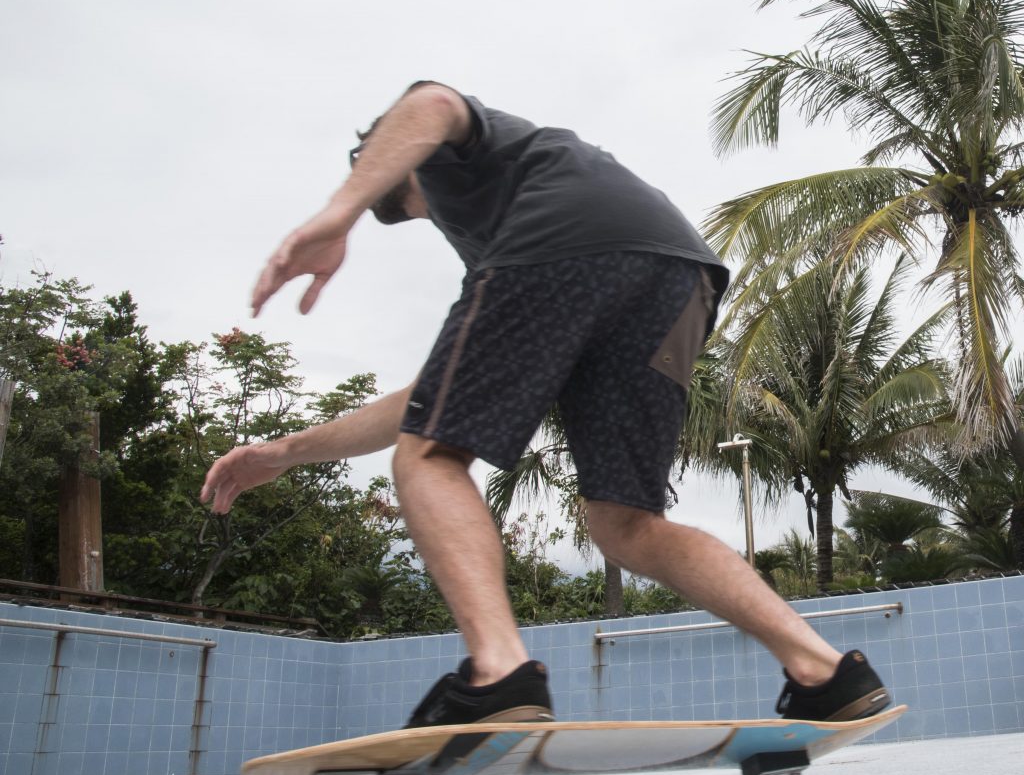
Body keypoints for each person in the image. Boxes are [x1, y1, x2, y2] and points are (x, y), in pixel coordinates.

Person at [201, 81, 891, 728]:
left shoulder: (460, 152)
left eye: (392, 180)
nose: (417, 204)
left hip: (575, 244)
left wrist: (339, 209)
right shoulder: (499, 241)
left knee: (431, 459)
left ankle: (500, 672)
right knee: (625, 523)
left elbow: (432, 102)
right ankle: (824, 670)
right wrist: (286, 452)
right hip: (681, 278)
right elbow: (431, 399)